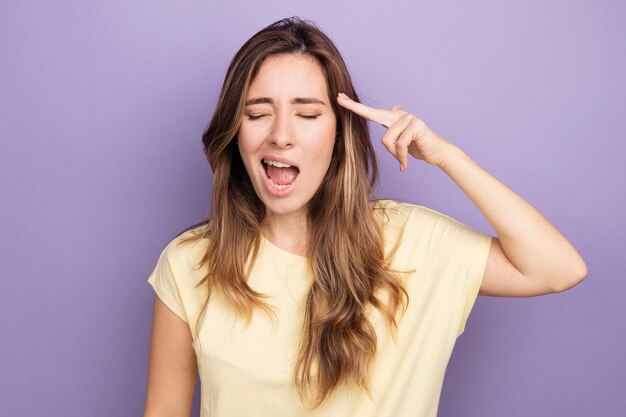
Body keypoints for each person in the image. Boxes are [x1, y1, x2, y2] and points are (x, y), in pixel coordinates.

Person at [142, 16, 587, 417]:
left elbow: (558, 268)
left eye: (308, 114)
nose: (280, 135)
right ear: (233, 133)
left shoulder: (412, 243)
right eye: (258, 113)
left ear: (339, 134)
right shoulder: (189, 264)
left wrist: (447, 156)